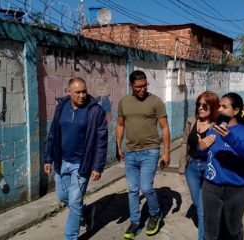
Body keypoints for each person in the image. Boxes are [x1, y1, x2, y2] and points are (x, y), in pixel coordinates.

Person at [43, 77, 108, 240]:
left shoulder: (95, 111)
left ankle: (71, 236)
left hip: (81, 165)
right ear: (69, 92)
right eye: (78, 92)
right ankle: (86, 211)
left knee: (74, 202)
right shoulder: (62, 106)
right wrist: (48, 158)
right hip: (61, 161)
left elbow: (101, 141)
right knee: (62, 196)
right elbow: (53, 134)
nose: (82, 95)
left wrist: (97, 167)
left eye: (84, 91)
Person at [116, 70, 171, 239]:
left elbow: (164, 127)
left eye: (145, 86)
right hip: (131, 152)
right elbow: (120, 125)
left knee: (146, 187)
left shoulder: (155, 101)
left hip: (150, 151)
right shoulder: (124, 102)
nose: (142, 89)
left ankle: (155, 214)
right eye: (138, 86)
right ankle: (134, 222)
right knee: (132, 190)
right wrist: (118, 146)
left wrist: (166, 152)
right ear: (131, 85)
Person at [198, 92, 244, 240]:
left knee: (233, 231)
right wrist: (201, 149)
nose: (219, 109)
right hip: (211, 188)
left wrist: (229, 137)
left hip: (235, 190)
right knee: (210, 233)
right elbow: (206, 157)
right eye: (219, 106)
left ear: (236, 111)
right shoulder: (213, 129)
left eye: (224, 107)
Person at [178, 91, 220, 240]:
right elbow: (185, 143)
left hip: (209, 168)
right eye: (198, 105)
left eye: (205, 105)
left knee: (202, 208)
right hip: (192, 168)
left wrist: (205, 148)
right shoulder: (191, 121)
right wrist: (182, 166)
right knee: (197, 204)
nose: (200, 108)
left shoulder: (218, 126)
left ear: (213, 107)